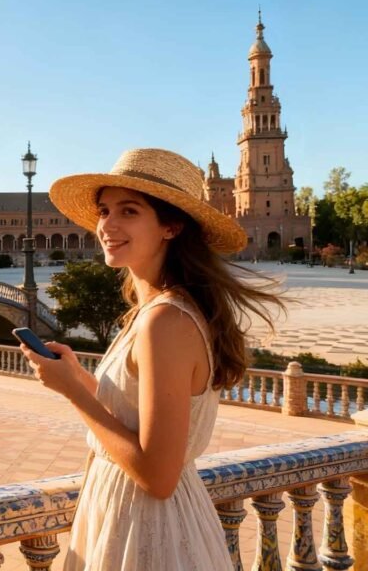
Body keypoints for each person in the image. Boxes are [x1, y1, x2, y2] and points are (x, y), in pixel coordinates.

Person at [24, 148, 283, 569]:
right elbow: (133, 421)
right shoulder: (155, 312)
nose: (107, 225)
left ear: (171, 226)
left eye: (129, 211)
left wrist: (74, 392)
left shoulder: (165, 320)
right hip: (131, 513)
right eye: (104, 210)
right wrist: (81, 378)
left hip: (148, 527)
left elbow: (158, 475)